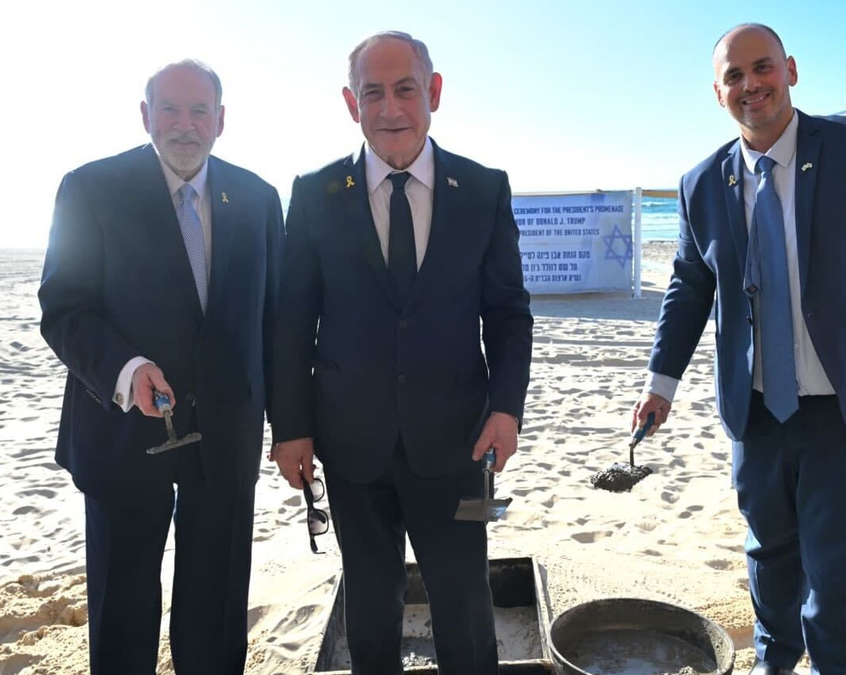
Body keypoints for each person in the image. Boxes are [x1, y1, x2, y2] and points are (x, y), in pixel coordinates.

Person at [632, 24, 846, 675]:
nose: (751, 85)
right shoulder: (702, 184)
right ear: (718, 91)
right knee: (770, 565)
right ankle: (774, 663)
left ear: (792, 70)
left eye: (763, 68)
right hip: (758, 418)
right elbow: (690, 287)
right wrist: (659, 385)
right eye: (735, 76)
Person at [269, 31, 533, 675]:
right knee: (369, 599)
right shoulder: (313, 194)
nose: (390, 109)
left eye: (405, 89)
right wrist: (292, 428)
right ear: (350, 102)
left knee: (463, 600)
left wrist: (507, 408)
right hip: (349, 441)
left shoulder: (484, 189)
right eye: (373, 93)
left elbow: (507, 313)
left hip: (456, 442)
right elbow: (289, 323)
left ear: (434, 92)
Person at [38, 59, 283, 674]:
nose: (184, 124)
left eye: (200, 111)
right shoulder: (89, 188)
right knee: (122, 614)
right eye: (170, 109)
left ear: (221, 122)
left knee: (218, 611)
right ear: (145, 115)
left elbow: (277, 321)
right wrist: (127, 369)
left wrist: (294, 425)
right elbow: (64, 308)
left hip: (226, 440)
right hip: (122, 435)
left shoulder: (257, 198)